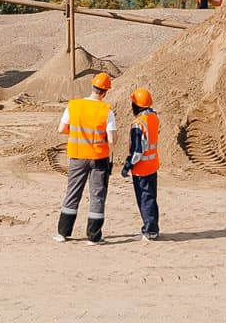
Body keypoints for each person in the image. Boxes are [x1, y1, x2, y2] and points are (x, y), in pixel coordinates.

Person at [55, 72, 117, 245]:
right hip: (98, 158)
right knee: (97, 196)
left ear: (93, 87)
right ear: (105, 92)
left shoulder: (73, 105)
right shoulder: (106, 110)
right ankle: (94, 236)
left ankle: (63, 233)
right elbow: (112, 139)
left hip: (77, 156)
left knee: (73, 193)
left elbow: (61, 129)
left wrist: (76, 132)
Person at [121, 87, 159, 241]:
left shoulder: (138, 124)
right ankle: (153, 228)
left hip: (142, 168)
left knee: (145, 198)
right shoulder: (153, 117)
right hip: (152, 165)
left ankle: (149, 231)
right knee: (151, 197)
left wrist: (127, 166)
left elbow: (138, 151)